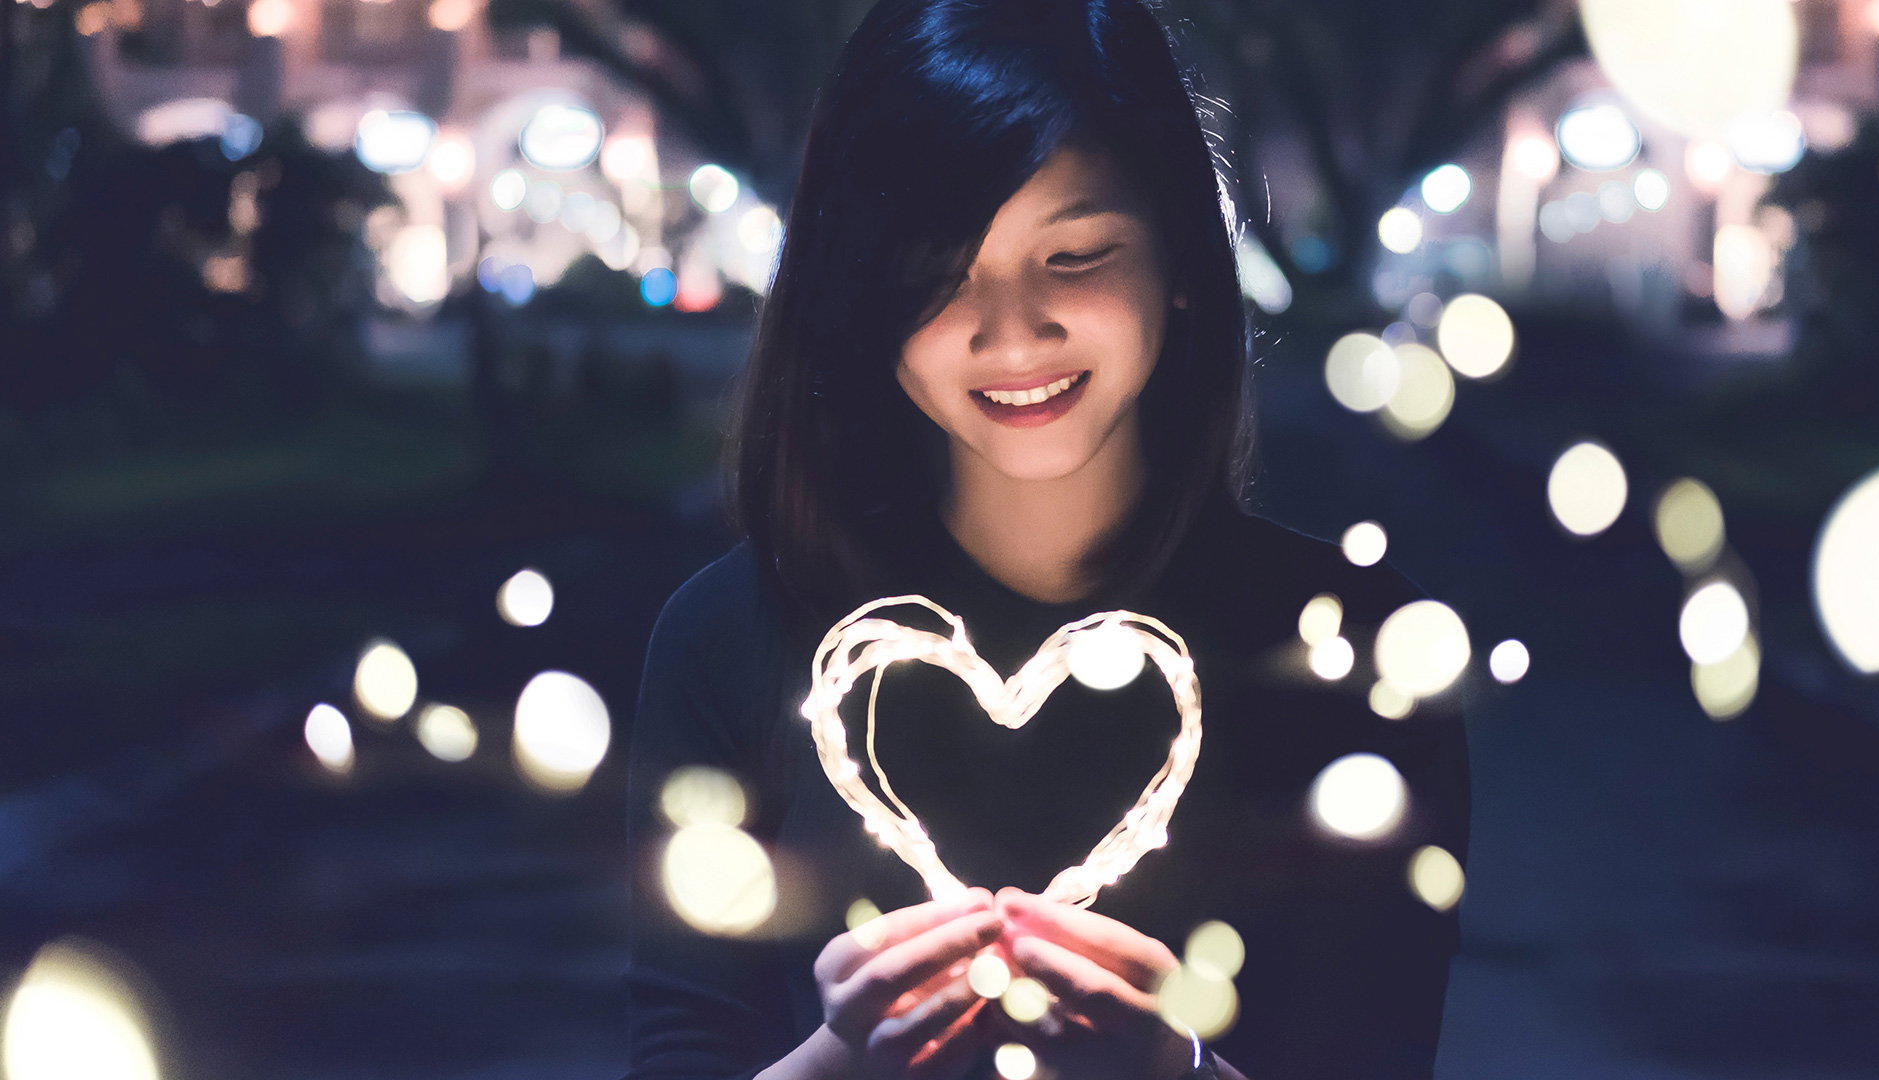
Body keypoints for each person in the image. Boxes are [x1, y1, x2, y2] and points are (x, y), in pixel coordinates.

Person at [622, 1, 1471, 1077]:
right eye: (938, 271)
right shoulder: (728, 639)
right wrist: (850, 1058)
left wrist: (1174, 1067)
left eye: (1074, 255)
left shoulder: (1353, 652)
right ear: (856, 292)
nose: (1011, 330)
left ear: (1175, 258)